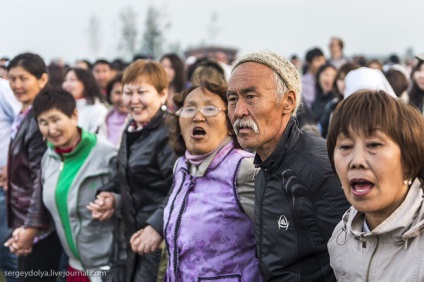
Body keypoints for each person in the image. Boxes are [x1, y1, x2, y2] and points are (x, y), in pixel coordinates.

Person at [226, 50, 350, 281]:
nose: (239, 111)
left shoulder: (321, 169)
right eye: (232, 99)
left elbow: (353, 263)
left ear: (288, 101)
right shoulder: (265, 164)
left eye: (251, 97)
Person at [133, 80, 261, 280]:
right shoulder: (182, 166)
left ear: (230, 123)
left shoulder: (244, 169)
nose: (197, 116)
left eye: (210, 108)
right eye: (189, 109)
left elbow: (281, 240)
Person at [88, 60, 177, 282]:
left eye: (142, 92)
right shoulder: (133, 127)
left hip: (160, 241)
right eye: (128, 92)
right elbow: (125, 174)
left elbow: (181, 187)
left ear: (162, 94)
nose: (133, 100)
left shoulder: (170, 132)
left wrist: (156, 226)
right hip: (133, 236)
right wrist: (107, 195)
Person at [326, 90, 424, 281]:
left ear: (410, 161)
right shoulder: (341, 237)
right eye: (345, 146)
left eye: (374, 145)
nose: (357, 161)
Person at [33, 88, 119, 282]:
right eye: (43, 122)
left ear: (74, 115)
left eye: (56, 120)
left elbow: (131, 197)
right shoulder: (50, 156)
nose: (51, 129)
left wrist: (115, 201)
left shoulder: (106, 154)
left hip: (107, 267)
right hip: (73, 265)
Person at [4, 53, 62, 281]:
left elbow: (42, 176)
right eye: (12, 78)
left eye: (24, 78)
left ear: (42, 79)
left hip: (39, 222)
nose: (17, 85)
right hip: (25, 217)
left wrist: (32, 226)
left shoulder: (41, 119)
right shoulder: (24, 113)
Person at [0, 78, 20, 281]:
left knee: (6, 245)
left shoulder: (3, 88)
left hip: (5, 178)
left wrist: (10, 162)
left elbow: (20, 123)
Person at [62, 67, 108, 133]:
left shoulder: (97, 110)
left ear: (86, 83)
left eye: (72, 80)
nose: (67, 84)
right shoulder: (62, 107)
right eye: (65, 80)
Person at [98, 73, 129, 147]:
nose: (122, 98)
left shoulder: (138, 122)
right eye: (118, 93)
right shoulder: (102, 118)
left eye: (127, 93)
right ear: (109, 95)